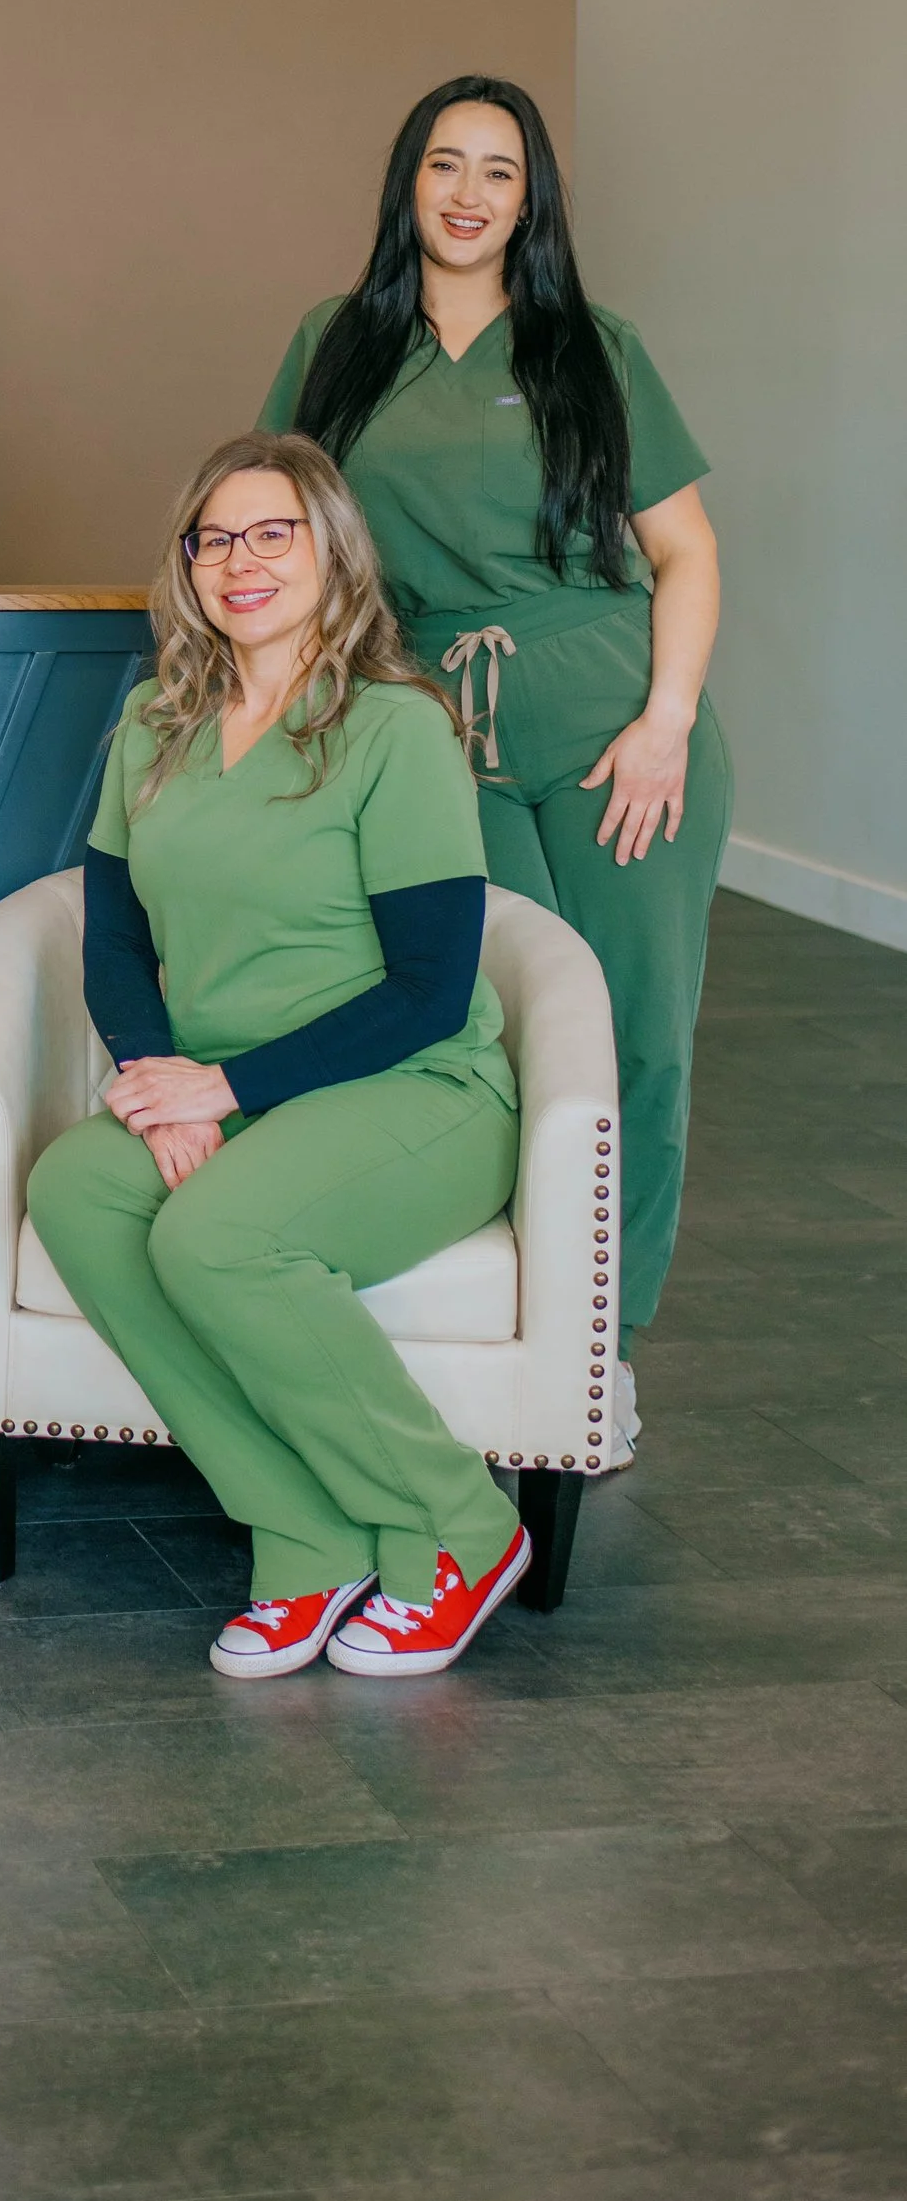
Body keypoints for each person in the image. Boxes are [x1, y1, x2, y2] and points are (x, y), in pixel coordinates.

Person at [28, 434, 531, 1681]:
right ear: (187, 566)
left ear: (330, 553)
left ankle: (458, 1526)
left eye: (272, 534)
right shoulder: (156, 724)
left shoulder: (393, 728)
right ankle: (302, 1532)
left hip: (411, 1091)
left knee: (216, 1237)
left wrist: (228, 1087)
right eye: (215, 538)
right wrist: (160, 1090)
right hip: (228, 1091)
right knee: (75, 1188)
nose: (239, 562)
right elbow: (111, 942)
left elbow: (428, 990)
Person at [261, 74, 727, 1404]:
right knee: (490, 1027)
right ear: (407, 182)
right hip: (427, 726)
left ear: (533, 200)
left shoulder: (593, 348)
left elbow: (685, 549)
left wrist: (667, 721)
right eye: (445, 165)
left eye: (499, 172)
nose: (469, 193)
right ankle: (494, 1309)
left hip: (608, 714)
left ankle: (600, 1349)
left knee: (637, 1028)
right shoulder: (335, 342)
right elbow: (283, 533)